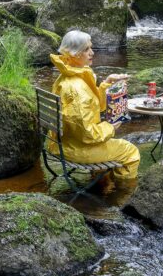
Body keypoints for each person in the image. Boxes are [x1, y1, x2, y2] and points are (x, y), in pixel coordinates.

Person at [50, 30, 141, 191]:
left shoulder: (67, 77)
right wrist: (111, 127)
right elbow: (87, 134)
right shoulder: (77, 88)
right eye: (86, 49)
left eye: (90, 48)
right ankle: (121, 193)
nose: (92, 53)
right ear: (75, 54)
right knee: (130, 152)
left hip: (64, 143)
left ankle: (102, 185)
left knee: (109, 143)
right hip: (76, 149)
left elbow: (94, 106)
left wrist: (106, 83)